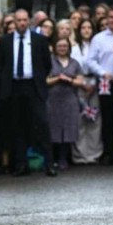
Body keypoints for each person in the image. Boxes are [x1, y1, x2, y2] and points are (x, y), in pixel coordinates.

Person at [0, 9, 57, 177]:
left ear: (29, 21)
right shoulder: (5, 41)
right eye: (19, 20)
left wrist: (38, 78)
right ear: (14, 22)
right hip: (14, 87)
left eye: (24, 20)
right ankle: (21, 164)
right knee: (17, 126)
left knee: (42, 124)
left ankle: (49, 164)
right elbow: (0, 65)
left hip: (33, 86)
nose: (22, 23)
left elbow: (46, 64)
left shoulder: (39, 40)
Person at [87, 5, 113, 165]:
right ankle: (109, 152)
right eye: (112, 17)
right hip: (106, 82)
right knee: (108, 118)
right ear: (107, 19)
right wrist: (103, 73)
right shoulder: (99, 38)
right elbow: (90, 60)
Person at [46, 38, 85, 170]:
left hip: (69, 99)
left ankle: (63, 158)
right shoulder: (49, 61)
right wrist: (58, 78)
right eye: (59, 46)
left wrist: (68, 79)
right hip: (53, 99)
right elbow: (44, 80)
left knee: (68, 127)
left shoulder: (75, 63)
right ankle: (53, 158)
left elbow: (81, 81)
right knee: (53, 127)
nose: (62, 48)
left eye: (65, 46)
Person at [71, 19, 103, 164]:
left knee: (94, 119)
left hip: (95, 82)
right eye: (83, 27)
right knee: (79, 119)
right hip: (79, 83)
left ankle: (94, 154)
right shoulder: (74, 47)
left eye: (89, 27)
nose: (86, 30)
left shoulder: (97, 46)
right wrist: (82, 83)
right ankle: (79, 155)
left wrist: (94, 84)